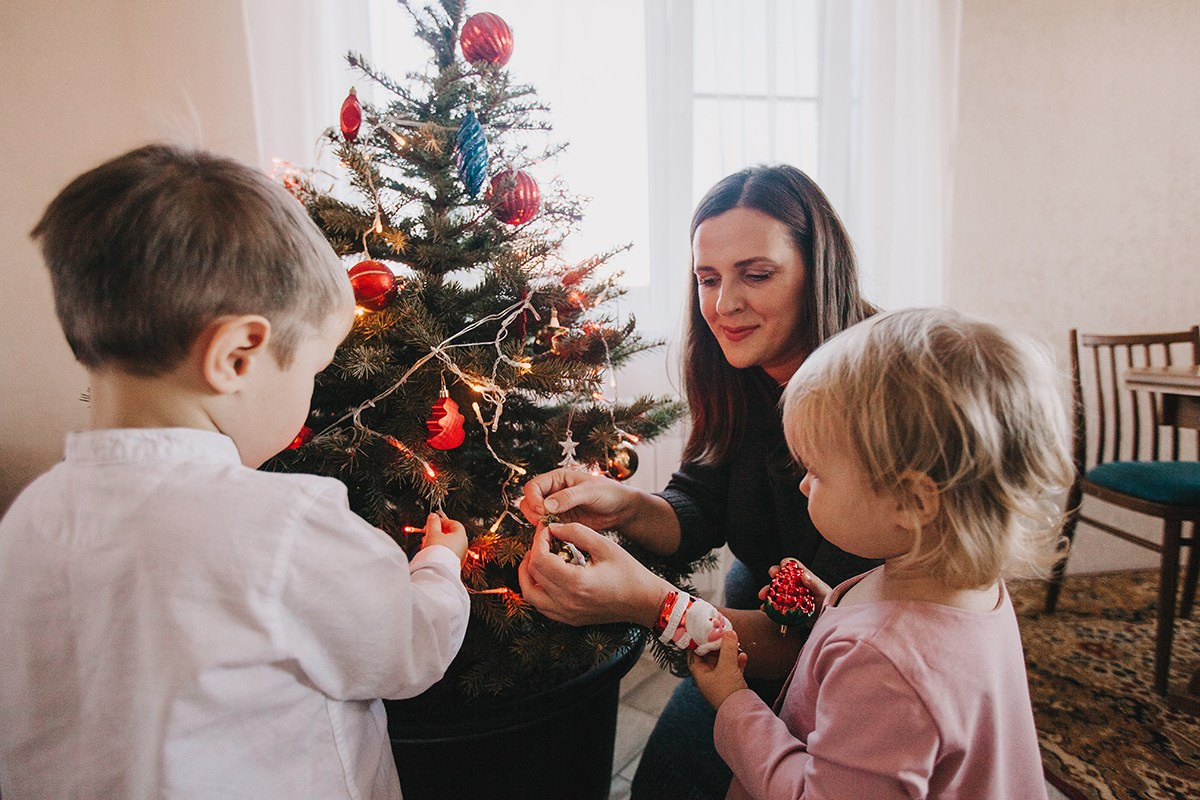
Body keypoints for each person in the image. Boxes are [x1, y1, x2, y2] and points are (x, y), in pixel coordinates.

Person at [0, 144, 471, 800]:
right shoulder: (283, 528)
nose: (310, 388)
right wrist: (439, 567)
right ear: (239, 355)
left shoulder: (28, 518)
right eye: (311, 369)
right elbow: (407, 649)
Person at [517, 164, 880, 798]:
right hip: (764, 592)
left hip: (849, 647)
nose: (723, 304)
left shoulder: (875, 392)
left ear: (818, 271)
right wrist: (628, 505)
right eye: (707, 279)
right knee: (667, 782)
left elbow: (826, 640)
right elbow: (700, 504)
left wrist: (647, 603)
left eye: (756, 275)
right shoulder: (742, 370)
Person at [690, 307, 1071, 799]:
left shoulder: (886, 670)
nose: (803, 484)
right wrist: (829, 611)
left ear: (911, 501)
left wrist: (733, 703)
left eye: (818, 473)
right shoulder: (967, 584)